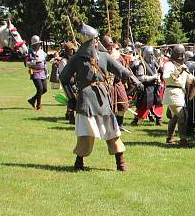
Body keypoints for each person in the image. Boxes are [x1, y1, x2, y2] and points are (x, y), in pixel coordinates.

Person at [59, 24, 142, 171]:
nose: (97, 41)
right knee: (86, 133)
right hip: (87, 100)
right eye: (95, 39)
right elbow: (63, 77)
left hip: (102, 98)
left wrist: (135, 80)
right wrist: (72, 97)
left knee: (111, 131)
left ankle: (120, 163)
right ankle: (80, 163)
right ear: (90, 41)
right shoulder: (77, 59)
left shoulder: (102, 56)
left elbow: (121, 70)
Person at [162, 44, 194, 146]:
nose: (182, 57)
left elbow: (190, 79)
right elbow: (166, 77)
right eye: (181, 54)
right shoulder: (169, 65)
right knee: (182, 116)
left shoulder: (182, 66)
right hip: (172, 92)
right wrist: (179, 71)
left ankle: (170, 137)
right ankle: (183, 140)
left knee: (175, 117)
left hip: (180, 93)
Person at [130, 46, 163, 126]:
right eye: (150, 54)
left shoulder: (154, 62)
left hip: (154, 86)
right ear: (147, 54)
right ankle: (135, 120)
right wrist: (153, 77)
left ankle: (158, 120)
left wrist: (158, 77)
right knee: (144, 104)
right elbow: (141, 77)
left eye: (152, 54)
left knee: (158, 103)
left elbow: (158, 72)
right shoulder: (142, 64)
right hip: (147, 87)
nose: (152, 56)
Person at [26, 35, 48, 110]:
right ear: (34, 44)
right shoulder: (30, 52)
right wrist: (33, 60)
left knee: (44, 89)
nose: (39, 45)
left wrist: (46, 72)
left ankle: (32, 100)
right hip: (35, 72)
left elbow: (44, 63)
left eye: (39, 43)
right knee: (40, 89)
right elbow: (27, 63)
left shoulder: (42, 51)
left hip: (42, 72)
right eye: (37, 44)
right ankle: (38, 105)